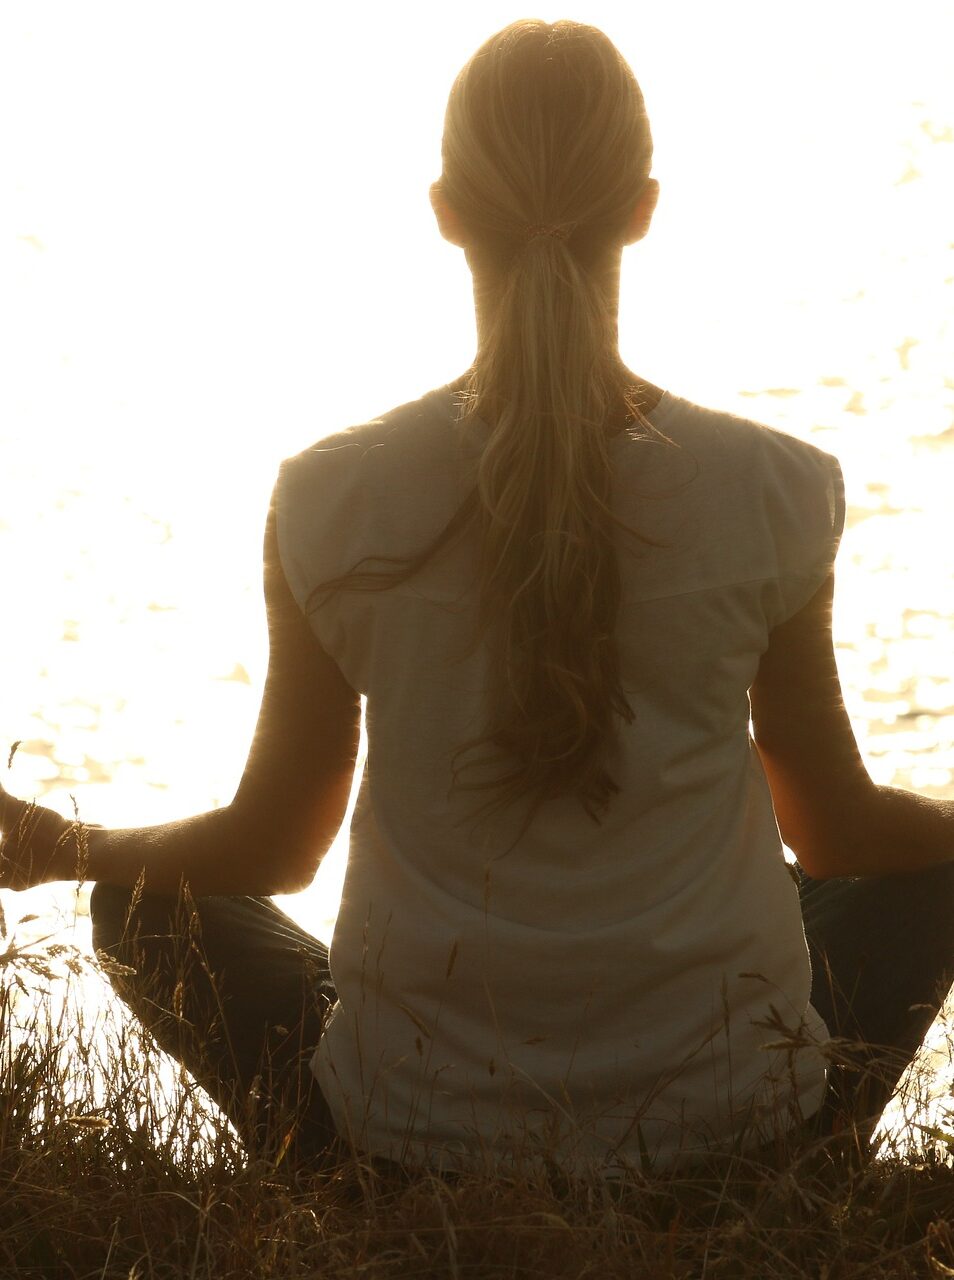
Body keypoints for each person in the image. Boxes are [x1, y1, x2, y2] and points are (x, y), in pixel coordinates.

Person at [2, 18, 954, 1179]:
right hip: (733, 1129)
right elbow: (836, 825)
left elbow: (274, 844)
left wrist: (64, 844)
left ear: (447, 208)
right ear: (644, 206)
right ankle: (781, 1156)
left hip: (412, 1138)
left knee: (141, 905)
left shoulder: (328, 495)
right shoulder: (775, 486)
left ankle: (346, 1171)